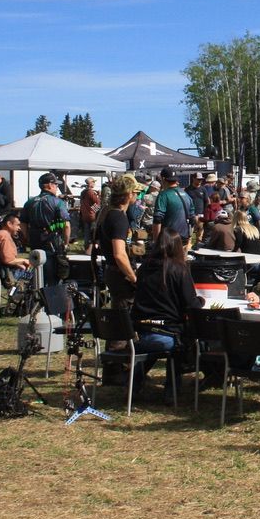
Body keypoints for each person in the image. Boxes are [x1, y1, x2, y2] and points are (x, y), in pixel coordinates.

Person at [130, 227, 204, 398]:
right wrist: (201, 301)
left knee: (154, 344)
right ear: (178, 247)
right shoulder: (179, 270)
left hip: (139, 332)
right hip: (168, 334)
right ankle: (172, 390)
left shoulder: (144, 269)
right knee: (183, 342)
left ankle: (133, 384)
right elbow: (191, 304)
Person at [94, 176, 139, 309]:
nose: (137, 195)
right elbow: (119, 254)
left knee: (118, 314)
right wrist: (133, 278)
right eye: (136, 192)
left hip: (113, 272)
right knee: (123, 318)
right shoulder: (118, 217)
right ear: (129, 194)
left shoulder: (107, 211)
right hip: (120, 275)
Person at [20, 172, 70, 285]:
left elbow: (22, 223)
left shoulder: (29, 202)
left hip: (35, 243)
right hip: (53, 245)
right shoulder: (58, 202)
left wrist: (27, 238)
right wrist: (66, 243)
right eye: (56, 184)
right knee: (53, 279)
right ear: (49, 185)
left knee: (36, 275)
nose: (57, 187)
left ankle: (37, 298)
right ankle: (50, 300)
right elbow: (66, 225)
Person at [151, 168, 194, 247]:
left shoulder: (163, 195)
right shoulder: (186, 195)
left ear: (163, 179)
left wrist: (156, 242)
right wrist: (189, 239)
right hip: (184, 239)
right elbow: (192, 219)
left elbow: (157, 219)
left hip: (169, 239)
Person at [0, 212, 32, 284]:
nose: (19, 228)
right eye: (17, 225)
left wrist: (18, 264)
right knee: (41, 273)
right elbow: (8, 260)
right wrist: (24, 260)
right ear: (9, 224)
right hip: (6, 276)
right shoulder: (5, 236)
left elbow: (2, 259)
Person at [78, 178, 100, 252]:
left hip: (85, 215)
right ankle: (91, 250)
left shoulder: (83, 192)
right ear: (90, 183)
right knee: (93, 234)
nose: (94, 183)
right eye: (93, 182)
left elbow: (90, 204)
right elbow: (97, 203)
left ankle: (86, 249)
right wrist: (99, 195)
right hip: (92, 216)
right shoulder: (91, 192)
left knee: (87, 234)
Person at [184, 174, 207, 240]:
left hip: (201, 214)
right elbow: (185, 201)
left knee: (200, 229)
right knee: (193, 230)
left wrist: (204, 212)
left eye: (201, 179)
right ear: (193, 179)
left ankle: (197, 242)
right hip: (191, 213)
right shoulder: (188, 189)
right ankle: (193, 243)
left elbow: (206, 201)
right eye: (198, 179)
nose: (200, 181)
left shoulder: (203, 189)